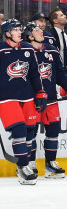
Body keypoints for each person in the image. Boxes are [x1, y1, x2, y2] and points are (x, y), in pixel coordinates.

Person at [0, 21, 45, 184]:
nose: (19, 32)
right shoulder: (1, 49)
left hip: (27, 97)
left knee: (29, 132)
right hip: (6, 98)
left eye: (20, 29)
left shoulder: (27, 48)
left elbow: (35, 73)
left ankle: (22, 166)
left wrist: (40, 92)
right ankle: (24, 167)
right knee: (19, 130)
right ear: (7, 33)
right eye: (15, 30)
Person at [35, 27, 67, 178]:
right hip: (32, 99)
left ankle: (50, 163)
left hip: (50, 99)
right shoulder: (26, 50)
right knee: (29, 133)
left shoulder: (53, 52)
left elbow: (61, 74)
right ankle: (27, 164)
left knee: (53, 131)